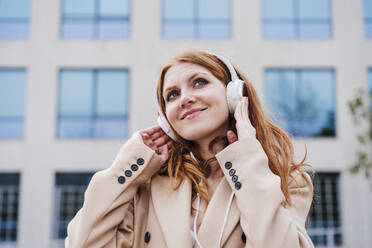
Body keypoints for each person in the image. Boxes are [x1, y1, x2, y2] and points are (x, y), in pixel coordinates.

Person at [65, 50, 314, 248]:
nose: (184, 98)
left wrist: (248, 160)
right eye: (172, 95)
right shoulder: (145, 188)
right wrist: (128, 165)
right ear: (166, 120)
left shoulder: (286, 180)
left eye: (199, 82)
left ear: (233, 95)